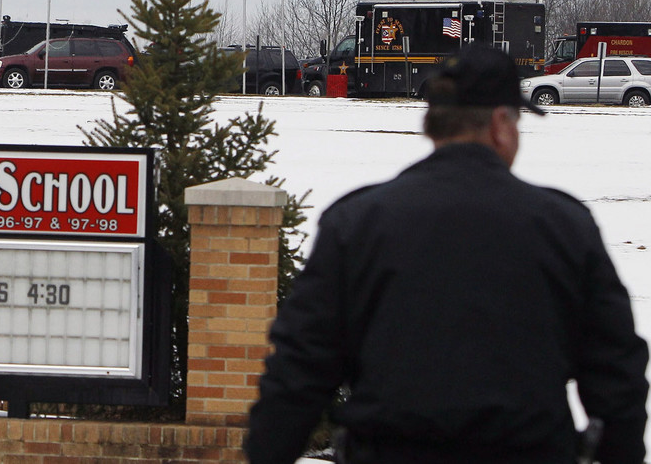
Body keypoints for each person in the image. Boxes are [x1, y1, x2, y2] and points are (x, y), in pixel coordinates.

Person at [243, 44, 649, 464]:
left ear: (435, 124)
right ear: (499, 124)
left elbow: (299, 370)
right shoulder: (563, 226)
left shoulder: (357, 224)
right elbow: (616, 370)